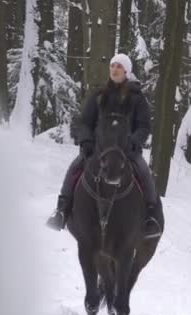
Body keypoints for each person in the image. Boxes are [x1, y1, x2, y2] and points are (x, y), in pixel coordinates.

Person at [46, 53, 161, 239]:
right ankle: (62, 210)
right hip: (98, 151)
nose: (114, 69)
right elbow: (85, 122)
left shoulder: (137, 98)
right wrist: (86, 141)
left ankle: (150, 217)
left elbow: (144, 126)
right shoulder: (99, 96)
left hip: (127, 152)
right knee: (75, 167)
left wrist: (134, 142)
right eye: (112, 65)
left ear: (126, 71)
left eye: (118, 66)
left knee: (144, 172)